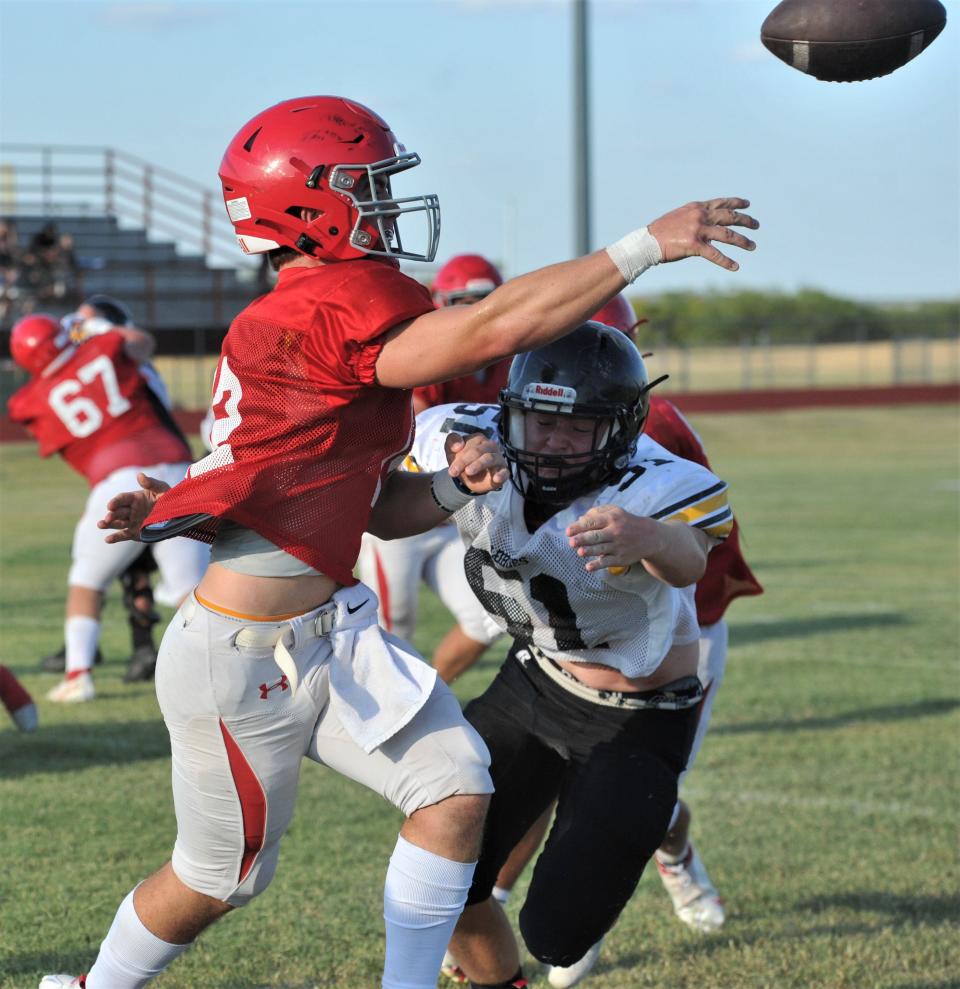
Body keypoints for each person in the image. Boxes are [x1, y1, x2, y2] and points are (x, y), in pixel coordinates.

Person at [39, 94, 757, 989]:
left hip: (332, 631)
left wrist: (456, 482)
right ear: (305, 204)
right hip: (240, 651)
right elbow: (495, 327)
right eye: (365, 185)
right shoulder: (320, 310)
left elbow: (369, 504)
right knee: (218, 878)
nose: (384, 205)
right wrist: (642, 246)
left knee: (458, 790)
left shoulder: (307, 311)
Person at [399, 322, 739, 989]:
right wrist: (451, 479)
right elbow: (384, 494)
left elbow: (693, 555)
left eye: (575, 426)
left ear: (619, 428)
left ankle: (655, 839)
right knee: (442, 868)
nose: (551, 441)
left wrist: (649, 536)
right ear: (509, 409)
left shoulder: (656, 484)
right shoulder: (463, 434)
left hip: (639, 714)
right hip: (536, 679)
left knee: (557, 932)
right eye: (538, 420)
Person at [6, 312, 209, 704]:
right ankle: (220, 667)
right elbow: (141, 341)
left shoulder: (27, 401)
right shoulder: (102, 345)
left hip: (117, 479)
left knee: (87, 580)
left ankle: (79, 674)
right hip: (176, 469)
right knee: (190, 588)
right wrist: (98, 327)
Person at [358, 254, 510, 683]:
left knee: (490, 616)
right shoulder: (431, 355)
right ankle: (377, 718)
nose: (475, 312)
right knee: (392, 624)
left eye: (484, 301)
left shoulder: (508, 359)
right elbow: (423, 430)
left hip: (454, 512)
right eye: (465, 301)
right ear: (444, 303)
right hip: (406, 503)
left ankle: (428, 695)